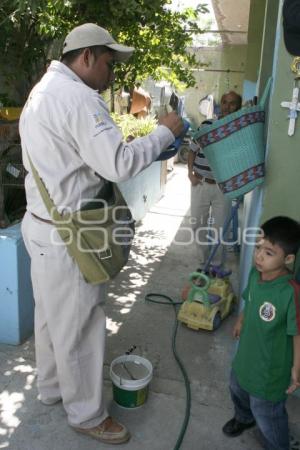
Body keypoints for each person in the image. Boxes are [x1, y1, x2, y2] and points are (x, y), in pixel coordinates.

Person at [19, 23, 183, 445]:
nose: (112, 73)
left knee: (51, 318)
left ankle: (53, 389)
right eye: (109, 62)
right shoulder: (77, 98)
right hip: (71, 236)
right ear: (87, 57)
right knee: (80, 325)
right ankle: (87, 414)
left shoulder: (42, 92)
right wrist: (166, 131)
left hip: (41, 228)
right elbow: (119, 165)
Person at [222, 216, 300, 450]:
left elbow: (297, 333)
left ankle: (279, 445)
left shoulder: (290, 293)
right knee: (237, 387)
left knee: (267, 413)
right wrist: (241, 319)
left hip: (270, 371)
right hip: (246, 356)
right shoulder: (257, 275)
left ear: (287, 259)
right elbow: (249, 299)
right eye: (258, 248)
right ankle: (244, 419)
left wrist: (297, 367)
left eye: (268, 253)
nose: (258, 256)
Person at [188, 91, 242, 270]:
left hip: (223, 188)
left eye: (232, 103)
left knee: (221, 230)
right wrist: (190, 174)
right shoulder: (207, 125)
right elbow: (192, 149)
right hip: (201, 183)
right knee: (197, 225)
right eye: (225, 102)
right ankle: (203, 263)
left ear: (238, 107)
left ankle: (217, 266)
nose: (228, 106)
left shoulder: (239, 131)